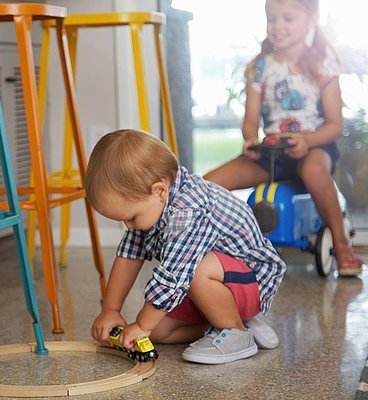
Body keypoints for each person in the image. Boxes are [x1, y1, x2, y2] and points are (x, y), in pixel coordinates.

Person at [85, 129, 286, 364]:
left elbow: (173, 277)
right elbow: (129, 257)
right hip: (211, 285)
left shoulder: (187, 211)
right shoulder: (154, 203)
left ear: (159, 191)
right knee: (159, 332)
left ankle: (236, 332)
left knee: (196, 269)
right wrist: (111, 309)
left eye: (131, 218)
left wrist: (141, 325)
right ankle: (223, 322)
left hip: (251, 283)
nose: (128, 226)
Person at [204, 0, 364, 276]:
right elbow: (251, 122)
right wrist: (250, 140)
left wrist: (308, 142)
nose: (277, 26)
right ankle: (223, 247)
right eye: (272, 18)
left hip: (313, 146)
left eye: (287, 19)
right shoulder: (260, 68)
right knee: (209, 184)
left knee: (314, 171)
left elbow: (335, 125)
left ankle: (342, 246)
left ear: (311, 19)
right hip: (272, 151)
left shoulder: (323, 64)